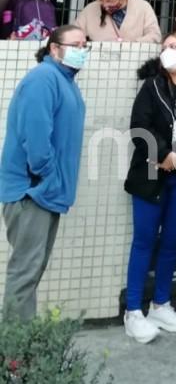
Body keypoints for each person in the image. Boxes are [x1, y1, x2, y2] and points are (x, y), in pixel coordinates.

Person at [0, 25, 88, 320]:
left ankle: (19, 349)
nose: (82, 49)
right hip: (32, 191)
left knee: (31, 272)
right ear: (54, 48)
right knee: (24, 275)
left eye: (85, 45)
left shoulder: (65, 80)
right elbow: (35, 138)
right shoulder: (43, 78)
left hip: (47, 192)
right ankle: (14, 356)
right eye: (76, 44)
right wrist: (48, 176)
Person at [122, 32, 176, 343]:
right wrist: (163, 153)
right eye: (164, 46)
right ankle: (133, 312)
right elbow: (139, 127)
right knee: (144, 241)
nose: (167, 51)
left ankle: (161, 304)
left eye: (174, 46)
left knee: (172, 241)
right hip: (151, 175)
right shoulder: (152, 86)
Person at [74, 0, 161, 43]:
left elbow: (155, 36)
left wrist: (132, 44)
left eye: (109, 1)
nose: (105, 5)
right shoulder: (90, 9)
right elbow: (73, 34)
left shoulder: (143, 7)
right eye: (101, 0)